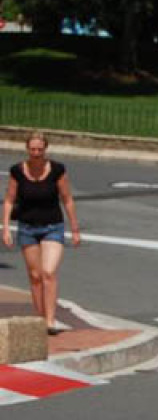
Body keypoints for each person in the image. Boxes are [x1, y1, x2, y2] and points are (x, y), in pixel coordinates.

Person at [2, 131, 80, 334]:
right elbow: (9, 200)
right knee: (35, 276)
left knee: (48, 272)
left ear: (45, 149)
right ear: (27, 149)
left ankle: (50, 320)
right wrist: (6, 228)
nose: (36, 153)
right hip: (27, 228)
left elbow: (67, 199)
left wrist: (75, 229)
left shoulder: (57, 170)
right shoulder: (17, 171)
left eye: (40, 149)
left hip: (53, 227)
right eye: (33, 149)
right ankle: (40, 317)